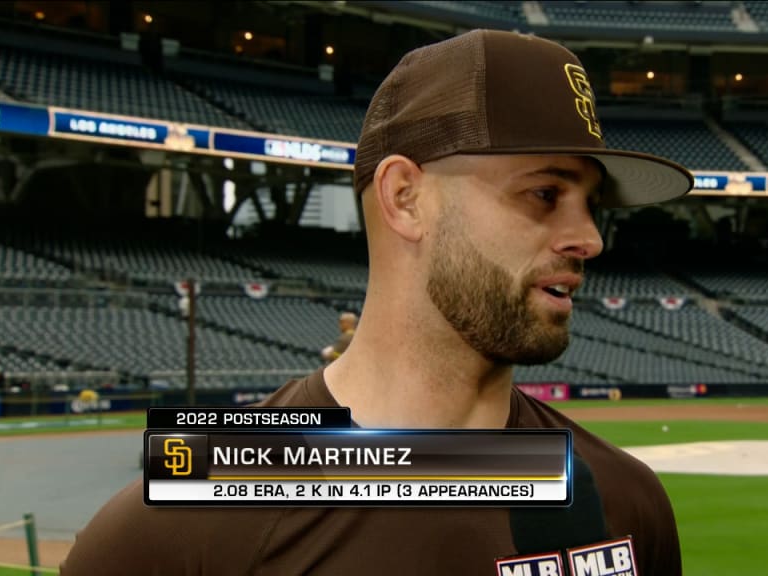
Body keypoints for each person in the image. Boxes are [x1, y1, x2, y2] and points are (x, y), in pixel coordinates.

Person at [61, 29, 693, 575]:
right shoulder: (192, 512)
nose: (587, 239)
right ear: (405, 198)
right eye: (545, 193)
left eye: (592, 205)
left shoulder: (626, 503)